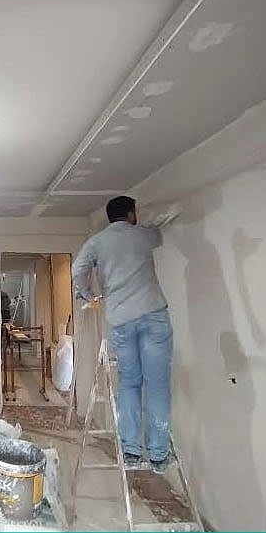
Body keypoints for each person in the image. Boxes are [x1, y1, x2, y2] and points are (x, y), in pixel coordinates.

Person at [71, 196, 173, 474]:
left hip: (121, 319)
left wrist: (87, 294)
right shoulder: (142, 234)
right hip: (153, 314)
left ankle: (131, 450)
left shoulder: (97, 242)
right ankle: (159, 455)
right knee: (157, 385)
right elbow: (158, 236)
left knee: (129, 383)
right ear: (131, 214)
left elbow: (78, 269)